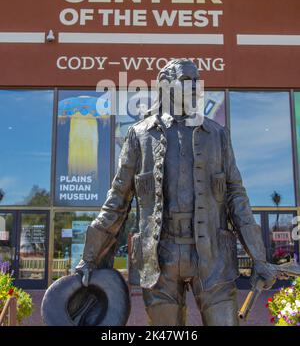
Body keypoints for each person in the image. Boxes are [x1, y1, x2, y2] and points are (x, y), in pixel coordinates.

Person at [76, 58, 275, 326]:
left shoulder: (218, 135)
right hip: (160, 262)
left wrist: (259, 257)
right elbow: (117, 202)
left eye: (197, 81)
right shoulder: (139, 136)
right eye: (187, 81)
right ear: (165, 86)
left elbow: (237, 198)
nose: (195, 87)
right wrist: (89, 259)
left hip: (213, 258)